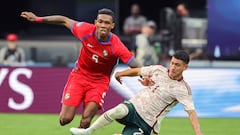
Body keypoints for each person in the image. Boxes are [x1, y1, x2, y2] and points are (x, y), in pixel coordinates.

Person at [20, 8, 141, 129]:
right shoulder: (84, 30)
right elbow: (63, 20)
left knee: (86, 120)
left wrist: (149, 74)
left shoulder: (116, 45)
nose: (103, 25)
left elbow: (135, 65)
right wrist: (37, 18)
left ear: (112, 25)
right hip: (79, 76)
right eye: (101, 21)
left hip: (99, 82)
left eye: (107, 23)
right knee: (65, 119)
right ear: (95, 22)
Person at [70, 50, 203, 135]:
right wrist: (121, 73)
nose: (173, 67)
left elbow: (191, 112)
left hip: (147, 122)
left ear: (185, 67)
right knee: (117, 111)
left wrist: (198, 133)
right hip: (134, 107)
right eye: (172, 63)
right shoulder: (158, 70)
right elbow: (138, 71)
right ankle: (88, 131)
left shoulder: (182, 89)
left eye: (177, 65)